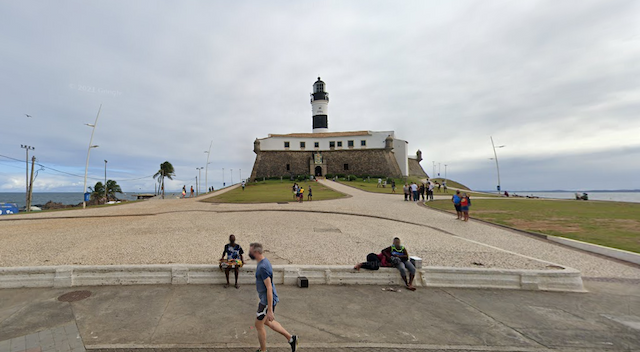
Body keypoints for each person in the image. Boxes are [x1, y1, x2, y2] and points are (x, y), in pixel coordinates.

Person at [249, 242, 298, 352]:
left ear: (256, 252)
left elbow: (269, 288)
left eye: (251, 252)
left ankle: (263, 350)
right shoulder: (264, 261)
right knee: (266, 322)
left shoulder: (263, 267)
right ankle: (291, 338)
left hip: (266, 302)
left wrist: (270, 310)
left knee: (258, 325)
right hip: (265, 300)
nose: (249, 254)